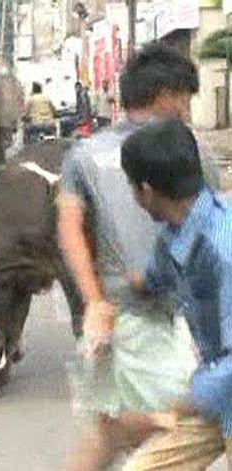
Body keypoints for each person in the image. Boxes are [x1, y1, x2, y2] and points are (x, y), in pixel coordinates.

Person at [58, 43, 221, 471]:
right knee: (183, 421)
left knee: (109, 430)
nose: (187, 110)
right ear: (165, 94)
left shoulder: (84, 154)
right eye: (185, 99)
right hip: (158, 313)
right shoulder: (190, 150)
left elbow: (69, 227)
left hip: (110, 312)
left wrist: (93, 300)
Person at [120, 118, 231, 471]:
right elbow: (157, 276)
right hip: (219, 393)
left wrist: (169, 410)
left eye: (130, 186)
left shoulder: (222, 248)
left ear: (146, 190)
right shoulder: (176, 232)